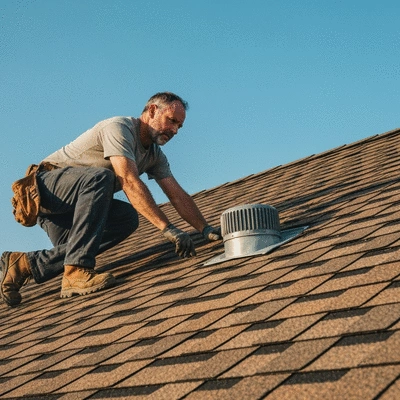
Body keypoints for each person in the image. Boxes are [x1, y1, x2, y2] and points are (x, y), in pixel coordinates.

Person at [1, 92, 221, 307]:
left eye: (179, 127)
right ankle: (75, 270)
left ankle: (24, 265)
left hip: (75, 212)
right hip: (45, 192)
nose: (174, 130)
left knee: (127, 218)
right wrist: (168, 229)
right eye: (171, 121)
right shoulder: (120, 128)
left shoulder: (154, 155)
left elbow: (177, 194)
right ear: (152, 110)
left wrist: (205, 229)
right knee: (102, 177)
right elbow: (128, 180)